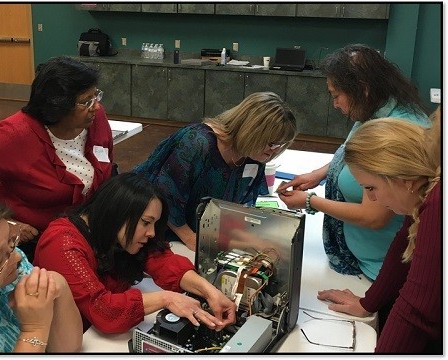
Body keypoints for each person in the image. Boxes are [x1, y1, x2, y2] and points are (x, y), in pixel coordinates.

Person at [277, 44, 430, 280]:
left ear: (363, 89)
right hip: (363, 259)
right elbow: (355, 156)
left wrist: (310, 201)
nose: (335, 104)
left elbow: (375, 216)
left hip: (379, 269)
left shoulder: (394, 132)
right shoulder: (377, 110)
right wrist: (319, 174)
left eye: (336, 95)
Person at [0, 56, 114, 260]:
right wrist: (7, 223)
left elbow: (106, 162)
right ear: (57, 106)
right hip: (36, 243)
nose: (96, 106)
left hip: (86, 234)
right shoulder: (14, 135)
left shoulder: (96, 119)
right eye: (85, 101)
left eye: (96, 96)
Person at [33, 173, 236, 334]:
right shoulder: (62, 242)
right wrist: (166, 298)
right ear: (117, 213)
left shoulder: (116, 233)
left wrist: (211, 292)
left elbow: (162, 261)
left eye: (154, 224)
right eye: (146, 223)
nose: (152, 233)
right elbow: (102, 310)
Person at [316, 111, 441, 353]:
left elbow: (418, 311)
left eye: (371, 187)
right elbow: (401, 249)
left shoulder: (438, 203)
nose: (372, 198)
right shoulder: (423, 195)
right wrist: (368, 303)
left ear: (403, 179)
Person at [134, 91, 297, 251]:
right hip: (153, 231)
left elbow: (241, 206)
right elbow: (165, 197)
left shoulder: (254, 155)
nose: (275, 151)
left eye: (281, 145)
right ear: (252, 132)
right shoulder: (198, 143)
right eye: (272, 144)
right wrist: (193, 240)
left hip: (203, 231)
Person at [0, 197, 83, 353]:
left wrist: (57, 283)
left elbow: (69, 350)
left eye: (11, 240)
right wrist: (34, 330)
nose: (17, 257)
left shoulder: (11, 268)